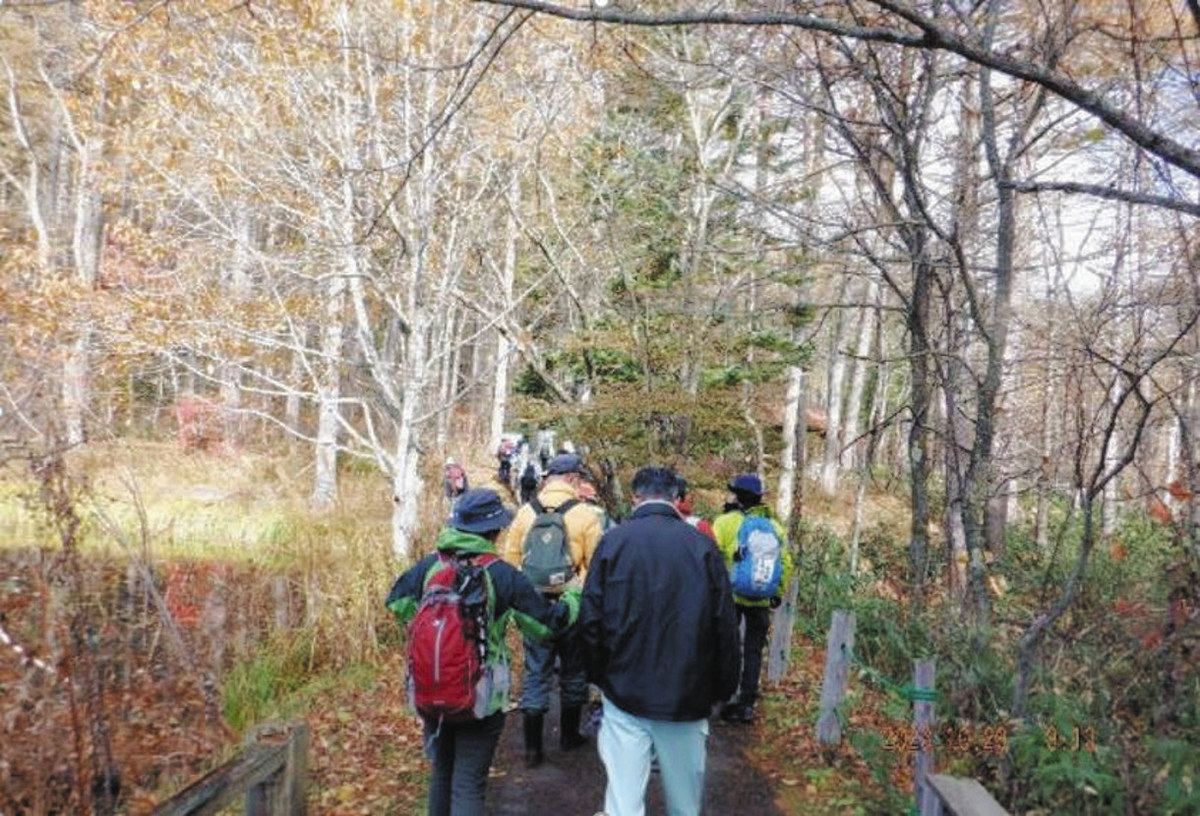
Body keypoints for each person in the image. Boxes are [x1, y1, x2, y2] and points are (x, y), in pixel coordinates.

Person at [385, 489, 581, 816]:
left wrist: (435, 627)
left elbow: (397, 604)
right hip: (481, 697)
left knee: (442, 773)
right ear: (494, 531)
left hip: (432, 690)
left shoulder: (430, 566)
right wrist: (574, 601)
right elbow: (546, 627)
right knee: (468, 783)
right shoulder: (501, 574)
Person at [580, 467, 739, 816]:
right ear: (676, 498)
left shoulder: (613, 542)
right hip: (688, 694)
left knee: (623, 800)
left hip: (624, 690)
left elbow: (590, 619)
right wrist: (723, 688)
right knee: (684, 803)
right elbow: (725, 626)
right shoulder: (702, 546)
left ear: (635, 497)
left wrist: (598, 678)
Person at [502, 453, 603, 766]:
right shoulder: (586, 515)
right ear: (572, 478)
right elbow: (595, 565)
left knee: (536, 672)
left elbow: (511, 561)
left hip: (534, 608)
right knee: (574, 671)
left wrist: (523, 601)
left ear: (549, 478)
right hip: (572, 606)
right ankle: (569, 737)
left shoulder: (525, 513)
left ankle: (533, 750)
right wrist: (577, 593)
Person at [711, 474, 794, 725]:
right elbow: (787, 563)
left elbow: (711, 556)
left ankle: (722, 697)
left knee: (727, 645)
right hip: (760, 598)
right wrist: (777, 592)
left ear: (737, 496)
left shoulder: (725, 523)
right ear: (759, 499)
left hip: (731, 596)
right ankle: (746, 704)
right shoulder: (775, 527)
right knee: (754, 650)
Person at [673, 475, 714, 540]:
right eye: (687, 492)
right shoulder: (699, 525)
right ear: (679, 498)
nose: (692, 498)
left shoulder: (652, 523)